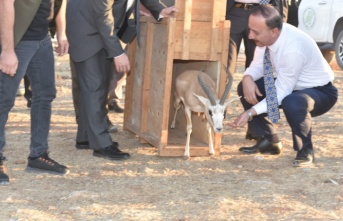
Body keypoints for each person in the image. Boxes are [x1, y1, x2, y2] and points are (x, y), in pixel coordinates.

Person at [228, 5, 338, 167]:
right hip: (291, 87)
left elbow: (280, 93)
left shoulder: (293, 48)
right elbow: (258, 65)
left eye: (256, 32)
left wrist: (250, 112)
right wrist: (247, 78)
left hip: (320, 92)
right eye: (250, 30)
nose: (250, 36)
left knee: (292, 102)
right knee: (246, 88)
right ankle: (268, 140)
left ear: (274, 31)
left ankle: (305, 150)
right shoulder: (267, 37)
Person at [66, 0, 177, 160]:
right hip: (87, 32)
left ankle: (86, 137)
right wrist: (117, 53)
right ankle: (101, 144)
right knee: (94, 89)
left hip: (95, 29)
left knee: (96, 88)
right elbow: (102, 17)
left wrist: (160, 10)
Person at [0, 0, 70, 185]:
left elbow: (61, 2)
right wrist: (7, 50)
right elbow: (5, 5)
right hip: (18, 39)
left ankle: (38, 155)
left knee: (45, 95)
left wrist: (61, 33)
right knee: (3, 100)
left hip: (42, 38)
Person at [226, 0, 288, 140]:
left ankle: (256, 128)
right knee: (224, 70)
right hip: (232, 11)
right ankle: (215, 123)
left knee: (257, 73)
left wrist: (280, 17)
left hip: (263, 11)